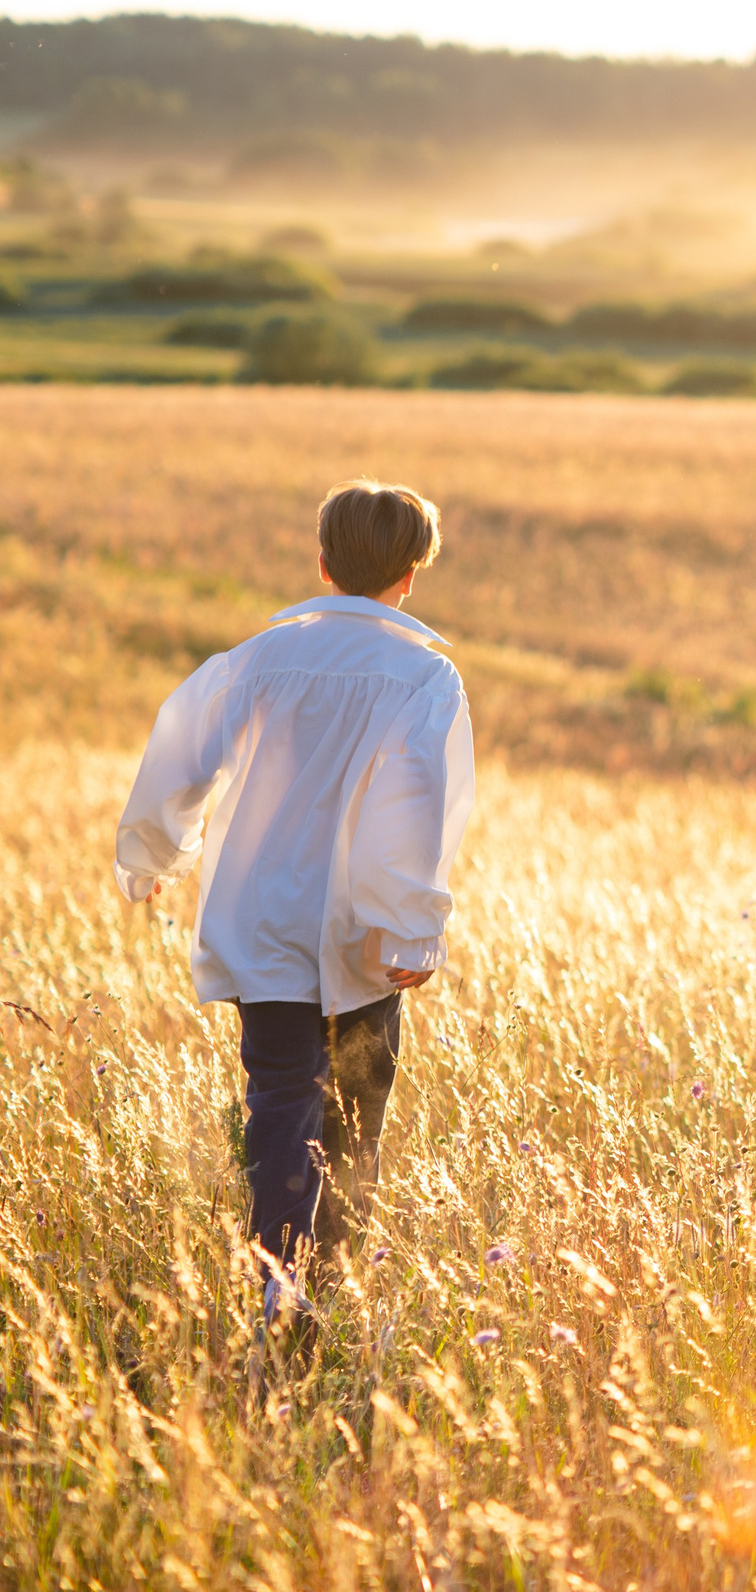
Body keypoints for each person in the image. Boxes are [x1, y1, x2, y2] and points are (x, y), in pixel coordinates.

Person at [115, 479, 474, 1338]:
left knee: (280, 1095)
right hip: (362, 937)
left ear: (321, 562)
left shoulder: (257, 658)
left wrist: (151, 854)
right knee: (358, 1107)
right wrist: (411, 923)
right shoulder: (425, 675)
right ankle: (330, 1285)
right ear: (413, 574)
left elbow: (178, 754)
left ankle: (279, 1283)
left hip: (262, 919)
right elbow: (412, 804)